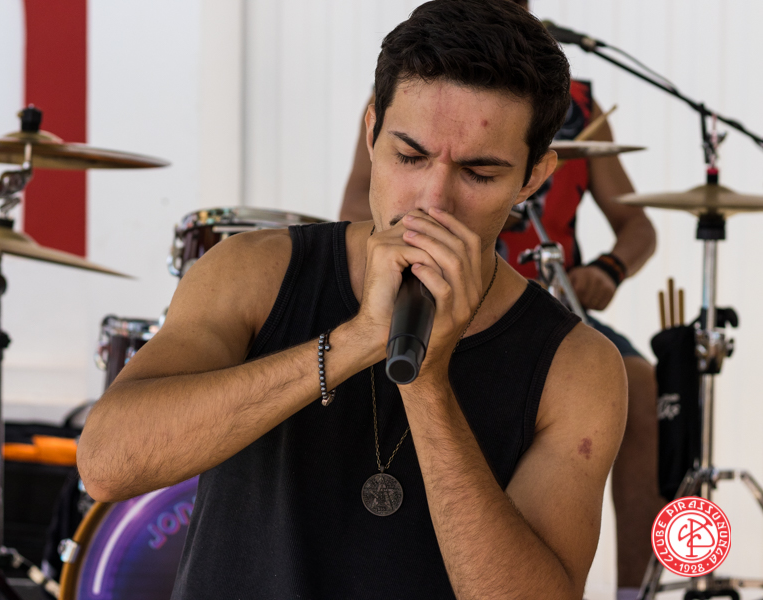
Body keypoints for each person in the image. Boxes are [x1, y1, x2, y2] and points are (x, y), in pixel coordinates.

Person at [78, 1, 627, 598]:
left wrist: (427, 384)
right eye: (409, 156)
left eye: (479, 173)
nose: (432, 201)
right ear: (371, 132)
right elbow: (106, 465)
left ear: (533, 177)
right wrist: (356, 341)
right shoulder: (252, 272)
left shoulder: (575, 367)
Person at [339, 3, 662, 598]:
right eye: (411, 156)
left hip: (546, 305)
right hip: (418, 285)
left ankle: (634, 592)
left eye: (481, 172)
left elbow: (638, 226)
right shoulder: (414, 88)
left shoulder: (580, 111)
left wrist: (609, 270)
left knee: (640, 385)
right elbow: (354, 205)